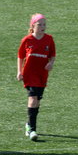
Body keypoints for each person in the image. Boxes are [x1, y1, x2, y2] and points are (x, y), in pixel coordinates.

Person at [17, 13, 56, 142]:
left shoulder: (49, 39)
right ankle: (32, 129)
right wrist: (19, 71)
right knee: (33, 99)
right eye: (40, 24)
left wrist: (51, 63)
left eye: (44, 24)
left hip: (42, 75)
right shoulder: (27, 40)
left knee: (37, 101)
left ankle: (29, 123)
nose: (42, 27)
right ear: (33, 26)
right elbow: (20, 56)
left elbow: (52, 55)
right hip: (29, 74)